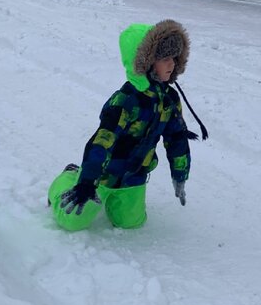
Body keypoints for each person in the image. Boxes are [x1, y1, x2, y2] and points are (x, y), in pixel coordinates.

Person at [48, 19, 199, 231]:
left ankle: (117, 200)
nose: (172, 64)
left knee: (131, 223)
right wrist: (86, 181)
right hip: (103, 175)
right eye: (165, 58)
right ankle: (69, 177)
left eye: (174, 58)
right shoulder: (126, 100)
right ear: (146, 63)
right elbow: (101, 141)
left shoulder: (170, 99)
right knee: (72, 221)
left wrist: (180, 175)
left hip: (134, 176)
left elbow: (176, 138)